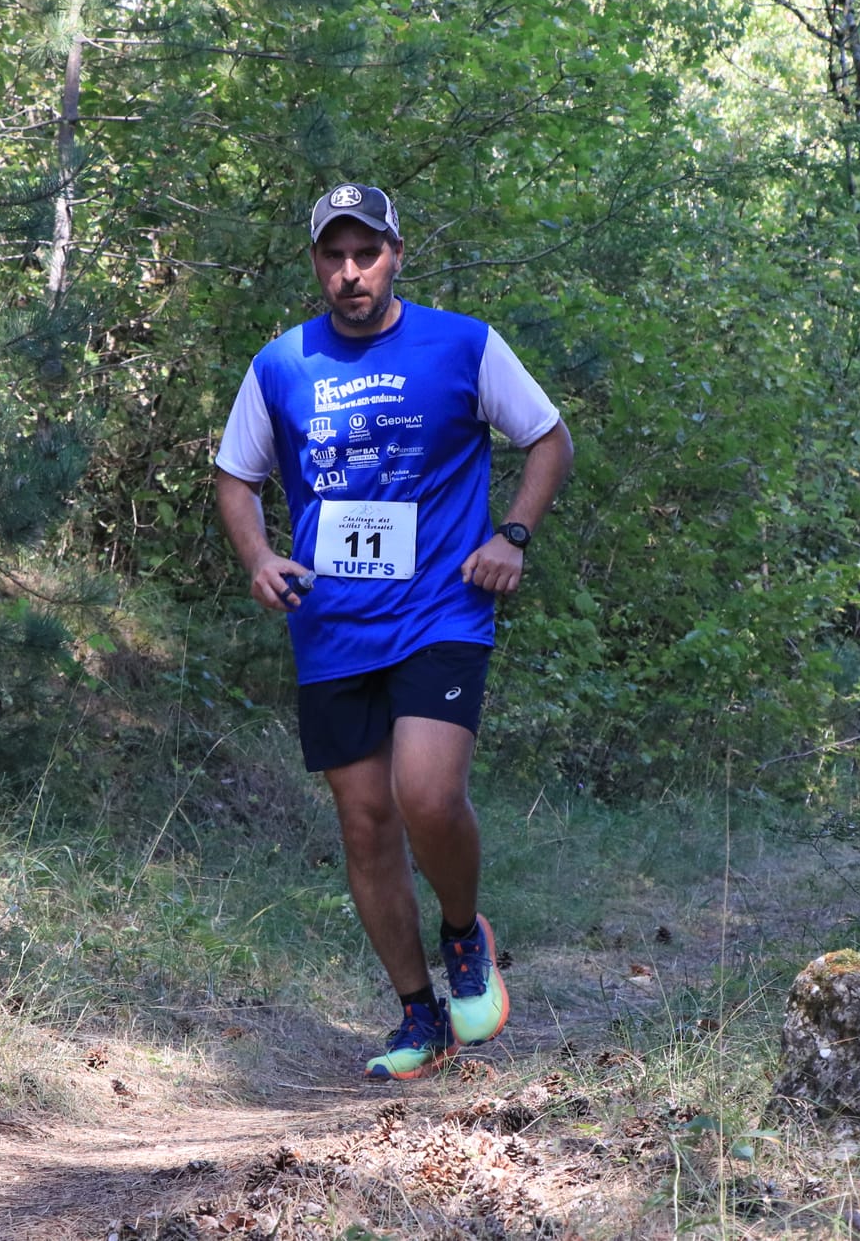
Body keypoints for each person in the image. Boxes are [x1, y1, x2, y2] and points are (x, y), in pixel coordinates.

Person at [213, 183, 575, 1080]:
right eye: (333, 256)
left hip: (441, 609)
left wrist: (512, 535)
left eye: (366, 253)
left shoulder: (463, 343)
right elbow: (235, 476)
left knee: (426, 793)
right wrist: (259, 556)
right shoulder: (281, 364)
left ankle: (463, 933)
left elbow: (549, 438)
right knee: (366, 823)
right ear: (315, 263)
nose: (350, 272)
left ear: (396, 255)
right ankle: (419, 1014)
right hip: (331, 624)